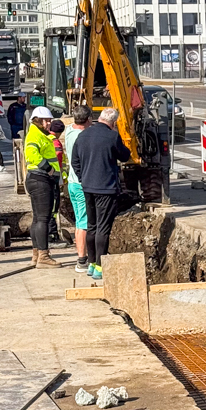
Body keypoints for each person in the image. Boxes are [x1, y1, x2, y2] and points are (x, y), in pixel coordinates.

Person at [71, 107, 132, 280]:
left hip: (87, 187)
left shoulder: (82, 135)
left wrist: (84, 177)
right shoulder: (112, 136)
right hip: (106, 188)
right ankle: (99, 266)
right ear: (113, 123)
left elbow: (75, 161)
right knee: (103, 228)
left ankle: (90, 264)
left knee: (91, 226)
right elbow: (124, 156)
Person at [24, 106, 62, 268]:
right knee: (43, 219)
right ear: (38, 120)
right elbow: (31, 154)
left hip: (37, 179)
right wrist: (49, 169)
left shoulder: (39, 134)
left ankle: (36, 254)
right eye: (47, 121)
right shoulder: (35, 135)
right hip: (41, 179)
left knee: (38, 218)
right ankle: (43, 256)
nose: (49, 123)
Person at [63, 105, 92, 273]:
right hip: (81, 184)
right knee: (83, 222)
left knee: (82, 220)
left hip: (73, 183)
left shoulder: (68, 131)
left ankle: (85, 254)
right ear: (88, 119)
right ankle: (82, 259)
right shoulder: (83, 136)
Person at [49, 119, 67, 248]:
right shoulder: (55, 143)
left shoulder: (44, 138)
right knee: (53, 208)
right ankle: (52, 235)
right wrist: (61, 179)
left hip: (45, 178)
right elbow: (59, 162)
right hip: (52, 178)